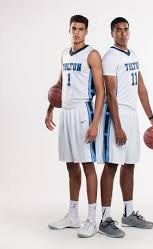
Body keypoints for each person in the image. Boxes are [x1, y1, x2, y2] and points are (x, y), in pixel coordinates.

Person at [97, 17, 153, 238]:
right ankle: (105, 219)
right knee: (111, 165)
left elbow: (141, 87)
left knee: (130, 164)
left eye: (126, 30)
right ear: (112, 33)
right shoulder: (109, 58)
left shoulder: (132, 55)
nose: (123, 33)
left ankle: (128, 213)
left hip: (132, 114)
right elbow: (111, 95)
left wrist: (151, 117)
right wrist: (117, 126)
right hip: (116, 115)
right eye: (119, 30)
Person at [45, 15, 104, 238]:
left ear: (86, 31)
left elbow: (101, 92)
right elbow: (60, 83)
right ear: (68, 30)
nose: (77, 32)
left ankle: (91, 219)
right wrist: (50, 107)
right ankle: (72, 215)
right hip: (66, 113)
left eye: (81, 29)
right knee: (71, 164)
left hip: (83, 112)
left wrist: (95, 122)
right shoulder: (63, 53)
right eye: (73, 28)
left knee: (87, 164)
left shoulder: (92, 55)